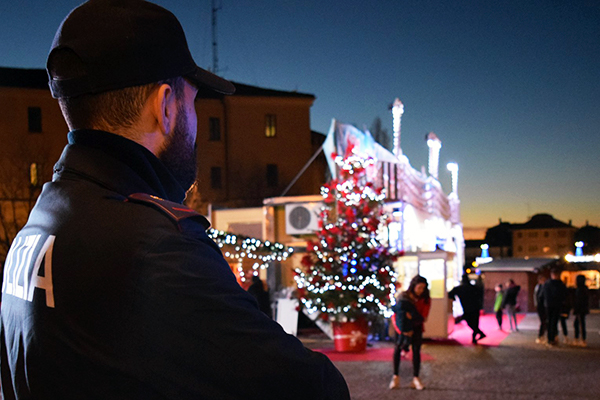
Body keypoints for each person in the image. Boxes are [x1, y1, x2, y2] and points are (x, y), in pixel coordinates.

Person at [0, 1, 350, 399]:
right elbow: (314, 389)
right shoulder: (158, 247)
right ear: (166, 106)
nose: (195, 122)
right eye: (193, 102)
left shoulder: (37, 227)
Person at [389, 275, 431, 391]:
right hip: (402, 328)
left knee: (416, 351)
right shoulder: (404, 296)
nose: (421, 291)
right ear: (413, 286)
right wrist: (400, 329)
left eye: (423, 288)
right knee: (397, 349)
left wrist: (412, 317)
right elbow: (396, 314)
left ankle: (416, 378)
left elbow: (423, 317)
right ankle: (395, 376)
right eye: (419, 288)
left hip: (416, 328)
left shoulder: (425, 299)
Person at [449, 274, 486, 344]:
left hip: (467, 309)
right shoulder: (474, 288)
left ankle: (478, 335)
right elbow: (480, 297)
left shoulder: (459, 288)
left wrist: (453, 299)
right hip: (475, 308)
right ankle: (476, 336)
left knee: (469, 322)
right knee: (475, 323)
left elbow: (450, 294)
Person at [543, 268, 567, 346]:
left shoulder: (547, 284)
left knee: (549, 321)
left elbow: (543, 295)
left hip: (548, 305)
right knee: (554, 322)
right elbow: (564, 296)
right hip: (557, 305)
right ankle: (553, 337)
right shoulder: (561, 284)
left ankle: (550, 338)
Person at [572, 275, 590, 347]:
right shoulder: (585, 288)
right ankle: (582, 339)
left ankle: (580, 339)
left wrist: (575, 309)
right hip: (583, 309)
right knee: (581, 323)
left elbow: (578, 301)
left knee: (578, 324)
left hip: (579, 309)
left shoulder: (579, 289)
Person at [533, 275, 548, 344]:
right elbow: (536, 297)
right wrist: (536, 304)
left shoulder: (544, 287)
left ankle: (543, 336)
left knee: (545, 321)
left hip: (544, 306)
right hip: (541, 306)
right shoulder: (538, 287)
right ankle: (541, 336)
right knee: (543, 321)